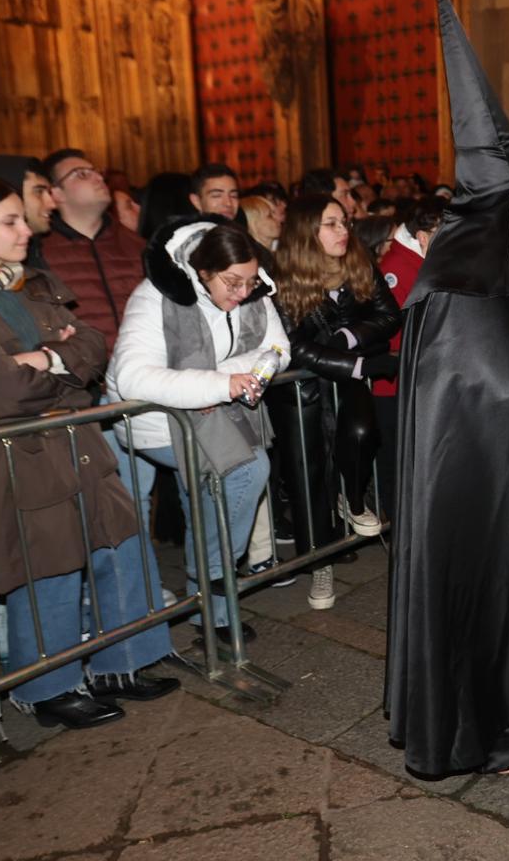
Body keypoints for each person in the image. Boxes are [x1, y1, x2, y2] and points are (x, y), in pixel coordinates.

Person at [386, 0, 509, 779]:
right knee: (493, 586)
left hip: (490, 474)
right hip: (489, 483)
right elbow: (497, 389)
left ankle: (491, 714)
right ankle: (493, 728)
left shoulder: (462, 267)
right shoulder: (468, 285)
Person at [0, 175, 179, 729]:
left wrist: (44, 361)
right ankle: (49, 686)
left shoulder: (30, 282)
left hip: (76, 440)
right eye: (9, 220)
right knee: (45, 566)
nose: (26, 229)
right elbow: (3, 393)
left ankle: (122, 663)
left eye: (22, 217)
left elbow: (93, 343)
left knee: (117, 546)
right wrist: (58, 365)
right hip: (14, 452)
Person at [106, 220, 289, 649]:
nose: (244, 293)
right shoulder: (155, 296)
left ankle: (212, 608)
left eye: (250, 281)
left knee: (208, 502)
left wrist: (220, 375)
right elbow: (133, 377)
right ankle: (206, 588)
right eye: (232, 282)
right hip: (151, 421)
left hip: (207, 415)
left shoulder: (251, 288)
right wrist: (219, 383)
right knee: (244, 471)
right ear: (202, 270)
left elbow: (278, 349)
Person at [269, 193, 399, 611]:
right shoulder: (283, 279)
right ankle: (318, 566)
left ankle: (355, 499)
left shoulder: (359, 264)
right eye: (331, 224)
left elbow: (389, 314)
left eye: (344, 222)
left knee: (362, 435)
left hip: (345, 379)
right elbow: (293, 348)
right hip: (302, 394)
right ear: (308, 232)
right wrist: (357, 365)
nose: (344, 231)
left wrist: (350, 338)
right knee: (310, 481)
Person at [369, 203, 439, 515]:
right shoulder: (398, 266)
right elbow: (395, 331)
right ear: (424, 236)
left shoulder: (422, 260)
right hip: (395, 384)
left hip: (415, 379)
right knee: (398, 461)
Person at [41, 147, 146, 349]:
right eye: (81, 174)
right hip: (85, 374)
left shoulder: (136, 245)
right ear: (56, 193)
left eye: (97, 172)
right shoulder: (41, 252)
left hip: (141, 369)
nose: (98, 178)